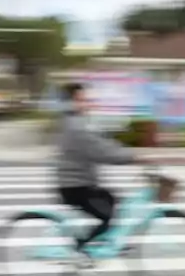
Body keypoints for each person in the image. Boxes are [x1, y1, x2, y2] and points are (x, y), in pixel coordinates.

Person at [55, 81, 140, 253]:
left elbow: (103, 143)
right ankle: (82, 248)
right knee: (106, 216)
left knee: (112, 199)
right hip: (75, 187)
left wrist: (126, 151)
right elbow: (102, 152)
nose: (86, 103)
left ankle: (107, 240)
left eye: (85, 99)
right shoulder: (76, 127)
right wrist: (133, 158)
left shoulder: (78, 122)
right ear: (70, 103)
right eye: (81, 100)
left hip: (81, 183)